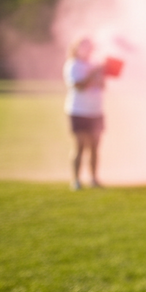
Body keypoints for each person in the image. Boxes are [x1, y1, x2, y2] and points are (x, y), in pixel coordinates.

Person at [63, 37, 106, 190]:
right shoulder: (73, 65)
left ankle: (94, 178)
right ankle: (76, 180)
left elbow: (102, 86)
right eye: (84, 46)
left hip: (96, 111)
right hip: (79, 110)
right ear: (76, 48)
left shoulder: (94, 65)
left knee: (95, 146)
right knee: (80, 146)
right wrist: (94, 73)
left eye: (89, 46)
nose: (87, 49)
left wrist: (102, 72)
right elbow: (78, 86)